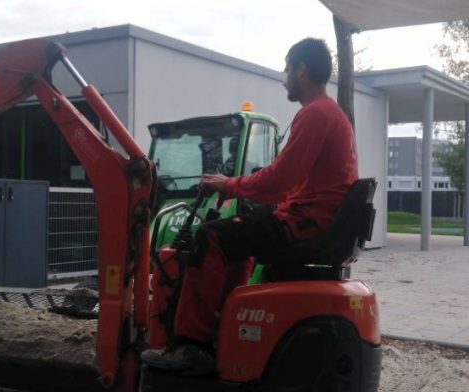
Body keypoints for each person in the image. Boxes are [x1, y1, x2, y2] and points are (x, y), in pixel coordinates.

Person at [141, 37, 358, 374]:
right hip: (312, 219)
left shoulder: (315, 114)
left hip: (305, 222)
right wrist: (245, 188)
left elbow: (279, 180)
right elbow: (285, 183)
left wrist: (227, 183)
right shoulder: (331, 115)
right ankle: (225, 319)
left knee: (209, 236)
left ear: (301, 70)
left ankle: (193, 346)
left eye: (287, 69)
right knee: (242, 229)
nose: (283, 77)